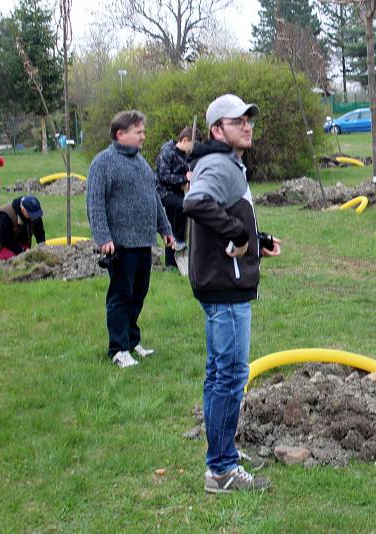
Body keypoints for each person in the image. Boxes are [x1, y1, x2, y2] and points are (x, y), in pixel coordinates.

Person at [183, 94, 280, 493]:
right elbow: (195, 202)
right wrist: (239, 234)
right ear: (216, 130)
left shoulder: (227, 164)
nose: (247, 125)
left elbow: (225, 215)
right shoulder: (219, 164)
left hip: (222, 281)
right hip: (225, 287)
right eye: (237, 120)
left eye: (249, 119)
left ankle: (222, 453)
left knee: (218, 374)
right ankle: (220, 469)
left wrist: (256, 239)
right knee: (231, 375)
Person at [86, 110, 174, 369]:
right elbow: (95, 204)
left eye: (142, 131)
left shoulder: (141, 162)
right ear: (120, 134)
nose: (143, 136)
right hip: (120, 244)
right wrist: (103, 237)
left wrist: (165, 228)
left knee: (138, 295)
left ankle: (132, 341)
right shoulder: (102, 163)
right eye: (138, 132)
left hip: (143, 242)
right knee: (121, 296)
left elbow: (154, 198)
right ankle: (118, 349)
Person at [156, 126, 201, 268]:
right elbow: (163, 176)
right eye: (193, 145)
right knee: (184, 205)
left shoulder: (187, 156)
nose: (193, 149)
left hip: (178, 193)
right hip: (163, 193)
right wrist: (183, 179)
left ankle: (171, 264)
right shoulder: (167, 152)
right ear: (185, 140)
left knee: (170, 227)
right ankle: (181, 241)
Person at [0, 196, 45, 261]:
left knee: (27, 255)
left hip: (14, 239)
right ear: (23, 210)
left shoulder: (34, 213)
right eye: (31, 215)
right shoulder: (6, 215)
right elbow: (5, 239)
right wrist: (22, 250)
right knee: (11, 258)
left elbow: (40, 232)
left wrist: (42, 246)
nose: (34, 218)